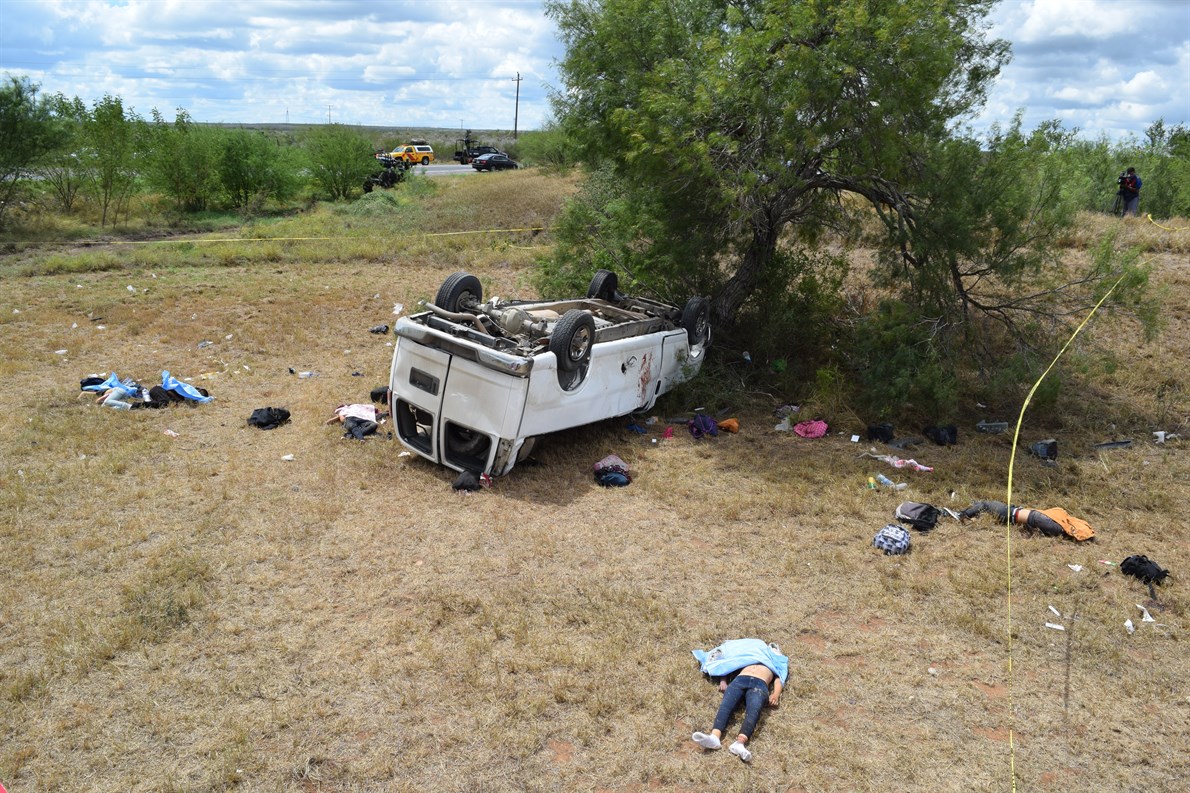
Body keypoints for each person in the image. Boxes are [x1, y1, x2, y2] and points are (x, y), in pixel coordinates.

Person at [691, 638, 789, 762]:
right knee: (726, 705)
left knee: (754, 710)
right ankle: (714, 737)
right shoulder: (747, 655)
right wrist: (723, 680)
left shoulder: (773, 660)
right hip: (740, 680)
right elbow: (729, 663)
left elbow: (779, 677)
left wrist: (775, 694)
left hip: (760, 684)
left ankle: (740, 744)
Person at [959, 500, 1094, 541]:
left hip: (1010, 514)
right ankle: (972, 509)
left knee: (985, 505)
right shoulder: (1059, 528)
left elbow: (1035, 519)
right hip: (1013, 515)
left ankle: (961, 515)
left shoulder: (1057, 524)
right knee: (985, 506)